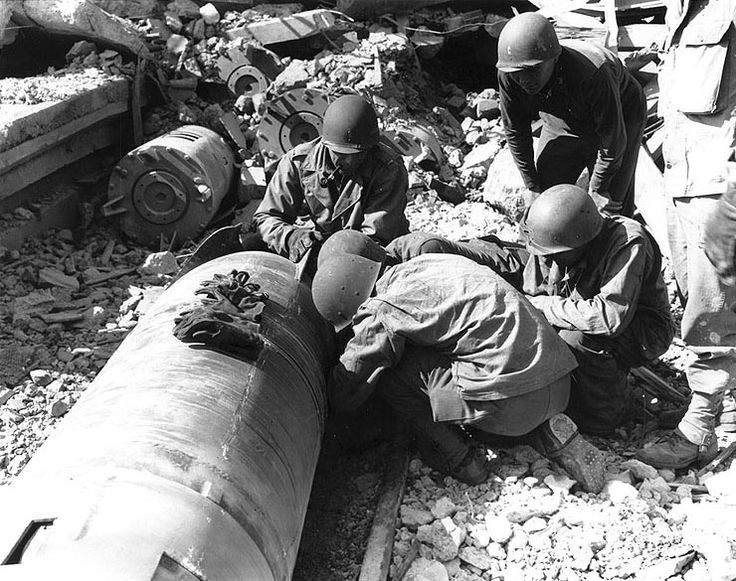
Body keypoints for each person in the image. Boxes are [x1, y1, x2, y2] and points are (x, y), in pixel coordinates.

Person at [311, 231, 605, 492]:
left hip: (512, 403)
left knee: (391, 372)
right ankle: (549, 434)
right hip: (559, 378)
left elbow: (349, 386)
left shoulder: (383, 309)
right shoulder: (430, 262)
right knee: (455, 355)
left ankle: (463, 461)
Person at [636, 0, 736, 470]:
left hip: (721, 191)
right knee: (704, 304)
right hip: (687, 183)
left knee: (709, 311)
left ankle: (700, 430)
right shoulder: (686, 8)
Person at [521, 184, 674, 436]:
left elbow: (611, 317)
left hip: (644, 330)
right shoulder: (560, 240)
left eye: (556, 256)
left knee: (578, 339)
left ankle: (611, 413)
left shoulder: (628, 241)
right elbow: (534, 288)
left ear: (580, 243)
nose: (549, 261)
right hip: (589, 306)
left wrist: (549, 307)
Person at [496, 11, 647, 217]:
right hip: (562, 117)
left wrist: (598, 189)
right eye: (517, 74)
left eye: (532, 70)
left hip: (622, 113)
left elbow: (613, 141)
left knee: (609, 208)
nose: (524, 80)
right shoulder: (508, 74)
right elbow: (515, 131)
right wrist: (531, 186)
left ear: (554, 58)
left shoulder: (593, 73)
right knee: (546, 199)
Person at [252, 94, 409, 266]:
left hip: (374, 256)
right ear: (326, 144)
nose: (349, 161)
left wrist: (331, 255)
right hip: (326, 251)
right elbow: (265, 218)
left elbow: (375, 239)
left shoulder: (388, 169)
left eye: (357, 154)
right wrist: (291, 238)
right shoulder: (298, 162)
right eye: (341, 154)